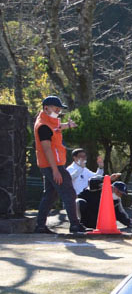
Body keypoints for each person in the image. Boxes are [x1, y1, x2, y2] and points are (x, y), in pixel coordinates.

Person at [32, 95, 84, 234]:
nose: (58, 111)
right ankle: (74, 225)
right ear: (46, 108)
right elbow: (47, 149)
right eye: (56, 108)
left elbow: (56, 127)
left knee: (50, 195)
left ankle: (40, 226)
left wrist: (67, 126)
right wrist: (55, 170)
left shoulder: (46, 120)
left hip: (48, 165)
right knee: (69, 193)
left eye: (59, 108)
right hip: (53, 165)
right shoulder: (43, 126)